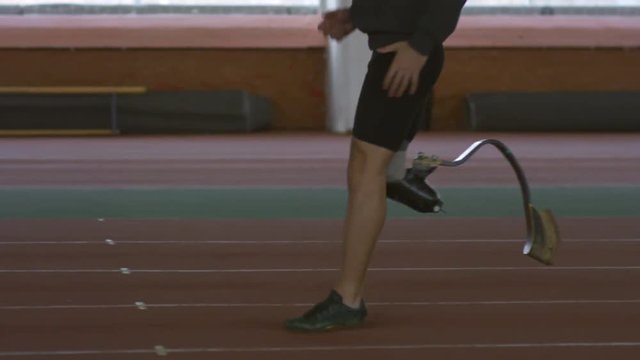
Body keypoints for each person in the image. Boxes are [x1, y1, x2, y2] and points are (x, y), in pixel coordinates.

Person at [285, 0, 467, 332]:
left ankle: (348, 299)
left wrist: (421, 44)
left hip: (406, 54)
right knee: (372, 166)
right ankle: (401, 178)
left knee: (366, 168)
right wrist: (356, 16)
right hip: (394, 51)